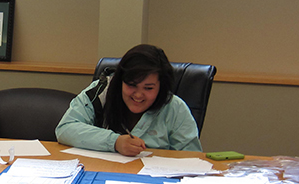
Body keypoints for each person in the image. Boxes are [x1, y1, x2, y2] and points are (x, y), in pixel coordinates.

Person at [55, 44, 202, 156]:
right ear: (120, 81)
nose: (138, 95)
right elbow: (65, 129)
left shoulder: (174, 108)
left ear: (161, 87)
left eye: (148, 88)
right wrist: (115, 142)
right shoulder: (101, 91)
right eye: (131, 85)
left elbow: (191, 158)